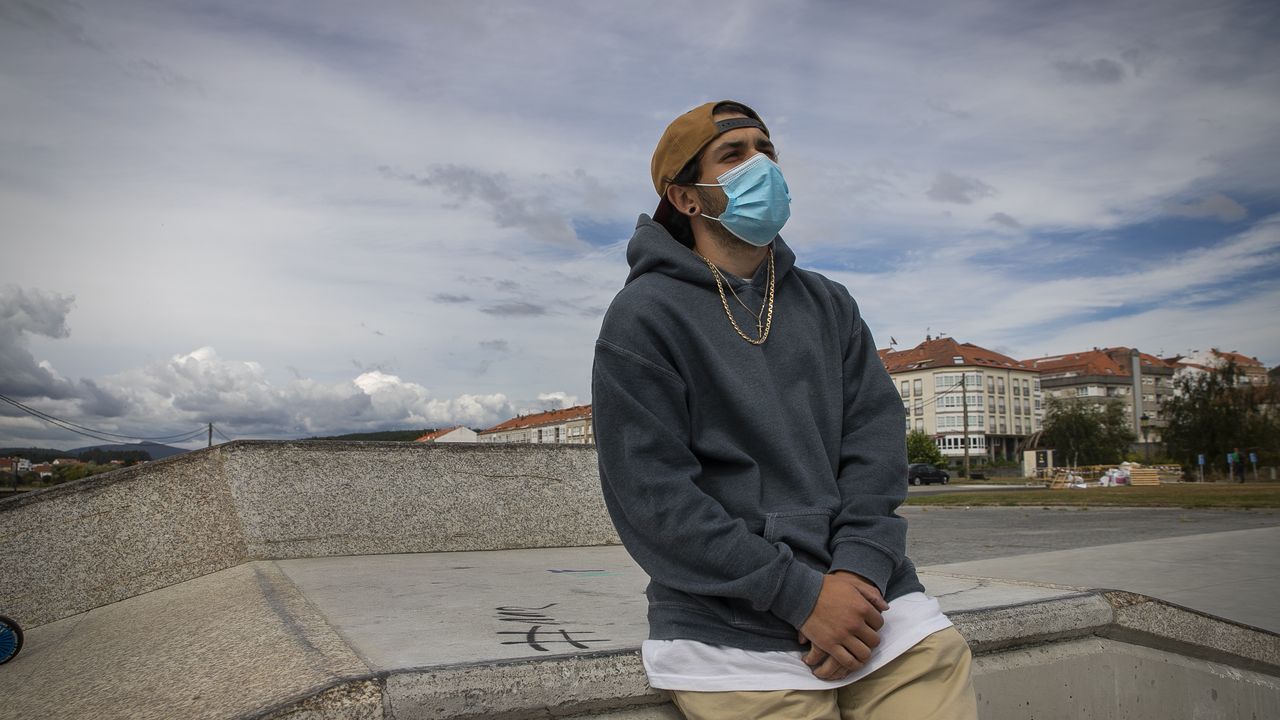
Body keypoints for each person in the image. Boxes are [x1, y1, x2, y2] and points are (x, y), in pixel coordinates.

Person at [592, 100, 978, 719]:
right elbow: (653, 497)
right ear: (687, 198)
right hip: (727, 624)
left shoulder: (829, 304)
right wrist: (800, 596)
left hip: (872, 606)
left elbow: (876, 446)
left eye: (765, 149)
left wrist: (858, 572)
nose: (761, 164)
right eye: (734, 154)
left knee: (938, 664)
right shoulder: (644, 316)